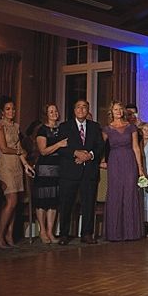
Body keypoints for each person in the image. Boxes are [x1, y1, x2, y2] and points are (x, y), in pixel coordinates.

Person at [56, 99, 104, 245]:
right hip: (69, 172)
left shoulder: (95, 127)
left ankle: (87, 234)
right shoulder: (65, 126)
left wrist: (89, 155)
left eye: (84, 107)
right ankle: (64, 234)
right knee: (66, 203)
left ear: (88, 110)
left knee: (88, 204)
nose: (81, 110)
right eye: (78, 107)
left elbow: (100, 146)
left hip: (89, 171)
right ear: (74, 110)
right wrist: (76, 153)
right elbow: (61, 148)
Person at [0, 97, 34, 249]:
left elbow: (18, 147)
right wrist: (20, 151)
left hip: (16, 166)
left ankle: (9, 234)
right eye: (8, 109)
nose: (11, 111)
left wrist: (26, 164)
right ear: (2, 111)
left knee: (16, 203)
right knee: (11, 201)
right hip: (5, 166)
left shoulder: (15, 126)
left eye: (13, 108)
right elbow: (3, 148)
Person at [102, 101, 146, 242]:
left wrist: (140, 169)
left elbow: (136, 148)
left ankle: (130, 232)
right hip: (114, 162)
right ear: (111, 112)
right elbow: (100, 147)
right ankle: (114, 233)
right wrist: (101, 161)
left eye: (120, 109)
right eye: (116, 109)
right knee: (115, 194)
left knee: (130, 193)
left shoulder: (131, 127)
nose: (119, 111)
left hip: (129, 162)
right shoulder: (107, 129)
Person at [33, 104, 66, 244]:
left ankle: (51, 232)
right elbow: (43, 151)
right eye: (51, 111)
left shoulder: (61, 129)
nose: (54, 113)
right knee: (43, 201)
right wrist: (59, 145)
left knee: (53, 202)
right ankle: (42, 231)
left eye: (55, 111)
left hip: (58, 169)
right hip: (44, 169)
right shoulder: (42, 130)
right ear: (46, 114)